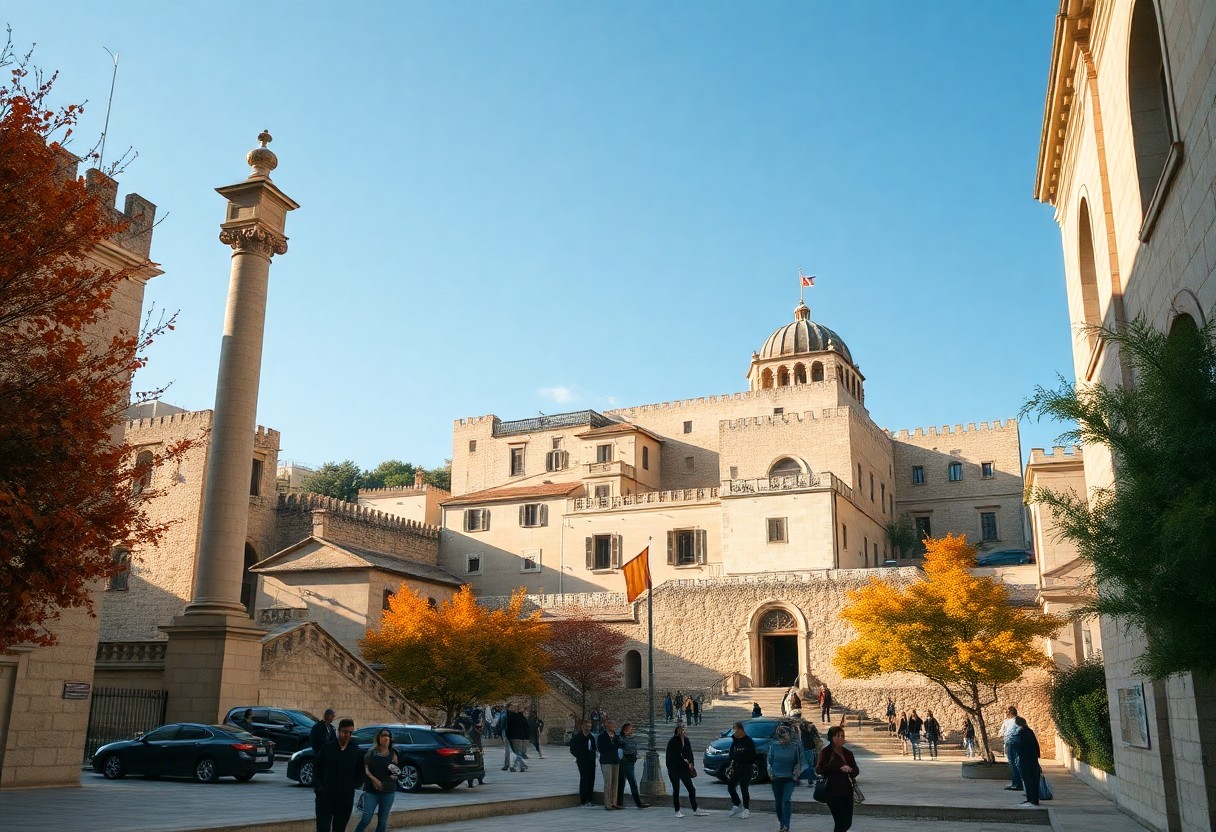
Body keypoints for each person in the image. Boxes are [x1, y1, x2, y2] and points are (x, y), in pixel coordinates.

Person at [314, 718, 361, 832]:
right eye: (345, 732)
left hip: (345, 799)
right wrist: (320, 789)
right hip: (325, 798)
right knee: (323, 827)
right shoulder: (327, 748)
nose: (347, 735)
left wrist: (353, 787)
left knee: (339, 828)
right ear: (339, 731)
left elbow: (360, 772)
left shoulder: (355, 751)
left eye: (350, 733)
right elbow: (317, 769)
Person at [353, 728, 398, 832]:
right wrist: (375, 780)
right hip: (371, 791)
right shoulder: (371, 753)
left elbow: (396, 773)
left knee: (382, 821)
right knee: (366, 818)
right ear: (378, 738)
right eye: (383, 736)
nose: (385, 738)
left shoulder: (394, 754)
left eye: (388, 736)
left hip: (388, 791)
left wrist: (393, 776)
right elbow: (366, 771)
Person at [816, 725, 860, 832]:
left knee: (847, 822)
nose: (841, 738)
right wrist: (838, 768)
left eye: (842, 735)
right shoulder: (825, 752)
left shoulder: (848, 753)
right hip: (832, 791)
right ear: (832, 737)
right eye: (838, 736)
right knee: (840, 822)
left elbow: (856, 770)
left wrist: (850, 769)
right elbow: (819, 769)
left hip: (846, 791)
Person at [766, 725, 804, 832]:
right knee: (778, 803)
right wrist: (771, 775)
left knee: (786, 800)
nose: (784, 738)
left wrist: (795, 776)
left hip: (789, 779)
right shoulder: (773, 747)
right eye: (781, 736)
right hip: (776, 779)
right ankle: (781, 823)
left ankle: (786, 825)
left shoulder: (794, 747)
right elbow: (769, 761)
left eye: (786, 735)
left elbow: (798, 762)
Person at [665, 724, 708, 817]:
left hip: (684, 769)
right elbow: (672, 755)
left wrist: (691, 763)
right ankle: (677, 811)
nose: (682, 732)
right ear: (677, 732)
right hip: (674, 769)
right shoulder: (673, 741)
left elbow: (689, 753)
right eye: (680, 731)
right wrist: (682, 760)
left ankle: (695, 809)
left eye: (683, 730)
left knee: (691, 789)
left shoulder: (687, 740)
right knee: (676, 790)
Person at [725, 721, 756, 818]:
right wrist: (731, 762)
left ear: (740, 729)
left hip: (746, 769)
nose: (733, 731)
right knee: (730, 787)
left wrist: (740, 757)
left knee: (744, 788)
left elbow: (752, 756)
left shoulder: (748, 741)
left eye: (735, 729)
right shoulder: (735, 742)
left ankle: (746, 809)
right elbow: (731, 754)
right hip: (736, 769)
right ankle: (737, 804)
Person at [616, 722, 650, 809]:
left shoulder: (630, 738)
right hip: (625, 763)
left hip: (630, 762)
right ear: (625, 730)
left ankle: (621, 802)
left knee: (627, 783)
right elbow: (623, 751)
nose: (632, 730)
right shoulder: (621, 739)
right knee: (628, 783)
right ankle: (635, 803)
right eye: (631, 729)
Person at [1014, 716, 1042, 807]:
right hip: (1032, 759)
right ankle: (1034, 798)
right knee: (1034, 779)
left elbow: (1019, 746)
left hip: (1024, 759)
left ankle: (1031, 798)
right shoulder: (1030, 731)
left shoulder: (1021, 733)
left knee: (1027, 779)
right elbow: (1036, 745)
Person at [569, 720, 598, 807]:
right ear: (582, 726)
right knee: (584, 779)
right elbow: (572, 749)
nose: (588, 728)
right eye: (587, 726)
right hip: (582, 761)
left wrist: (593, 756)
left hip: (591, 761)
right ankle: (583, 800)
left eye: (589, 726)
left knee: (591, 779)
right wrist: (580, 756)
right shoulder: (577, 737)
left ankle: (589, 799)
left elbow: (594, 748)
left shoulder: (591, 737)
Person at [597, 719, 622, 810]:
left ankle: (613, 802)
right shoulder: (602, 736)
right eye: (611, 724)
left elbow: (619, 744)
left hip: (615, 760)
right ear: (606, 725)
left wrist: (614, 740)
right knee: (608, 781)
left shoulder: (615, 735)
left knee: (615, 782)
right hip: (606, 760)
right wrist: (611, 743)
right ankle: (607, 803)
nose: (613, 726)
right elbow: (601, 748)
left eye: (613, 724)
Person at [999, 706, 1023, 791]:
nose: (1005, 714)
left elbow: (1002, 732)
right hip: (1014, 743)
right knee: (1015, 763)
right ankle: (1017, 782)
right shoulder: (1017, 721)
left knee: (1014, 763)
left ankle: (1017, 784)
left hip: (1012, 743)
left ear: (1010, 713)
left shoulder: (1012, 721)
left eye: (1006, 712)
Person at [506, 703, 531, 772]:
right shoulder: (521, 718)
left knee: (516, 753)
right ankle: (519, 766)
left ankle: (519, 766)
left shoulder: (511, 717)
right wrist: (527, 737)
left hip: (514, 737)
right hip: (520, 737)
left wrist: (508, 737)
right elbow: (526, 728)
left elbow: (508, 728)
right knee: (518, 753)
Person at [464, 720, 485, 787]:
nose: (481, 728)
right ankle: (470, 783)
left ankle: (480, 780)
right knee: (471, 767)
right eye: (480, 726)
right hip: (472, 752)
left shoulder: (477, 732)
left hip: (478, 751)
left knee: (480, 766)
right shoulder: (471, 733)